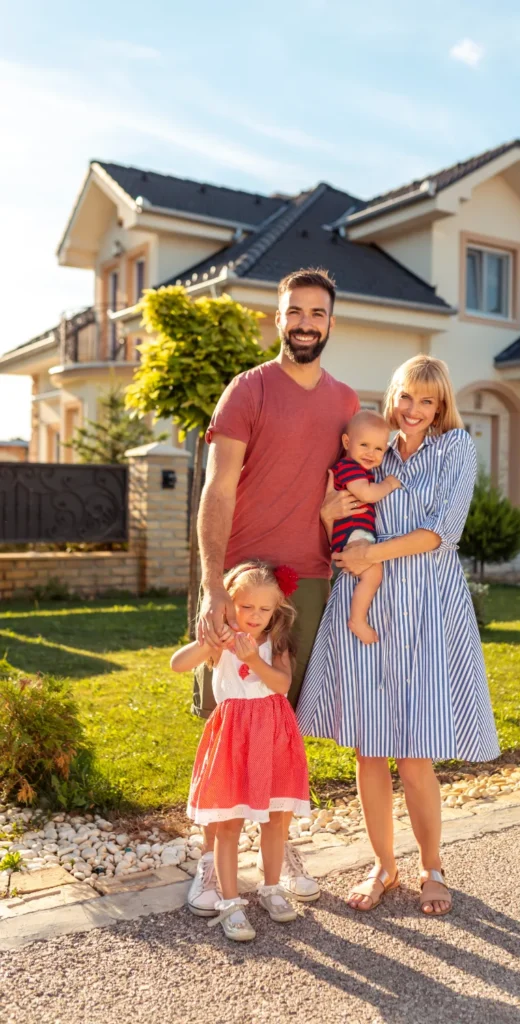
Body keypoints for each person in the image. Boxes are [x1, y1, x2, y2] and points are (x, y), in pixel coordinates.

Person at [297, 355, 500, 916]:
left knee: (414, 754)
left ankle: (431, 867)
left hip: (427, 608)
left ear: (441, 407)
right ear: (393, 395)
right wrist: (326, 514)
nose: (413, 410)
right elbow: (340, 516)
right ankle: (383, 865)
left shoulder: (456, 447)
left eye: (427, 401)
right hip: (364, 605)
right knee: (370, 749)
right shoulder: (371, 443)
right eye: (406, 396)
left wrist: (371, 552)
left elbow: (443, 531)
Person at [187, 266, 361, 916]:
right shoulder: (248, 390)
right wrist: (210, 586)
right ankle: (211, 862)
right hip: (237, 578)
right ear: (278, 317)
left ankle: (275, 845)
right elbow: (217, 488)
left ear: (330, 322)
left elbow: (352, 489)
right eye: (295, 312)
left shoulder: (345, 403)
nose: (305, 323)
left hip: (308, 582)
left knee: (281, 716)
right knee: (223, 719)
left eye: (317, 313)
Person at [172, 561, 309, 942]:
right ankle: (230, 903)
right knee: (229, 821)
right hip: (234, 734)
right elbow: (177, 665)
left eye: (264, 609)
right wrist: (208, 642)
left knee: (275, 818)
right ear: (229, 605)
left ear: (276, 609)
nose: (255, 617)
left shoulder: (276, 641)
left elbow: (281, 685)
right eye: (246, 607)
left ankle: (271, 888)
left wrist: (254, 660)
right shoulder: (221, 642)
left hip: (273, 733)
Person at [329, 410, 401, 644]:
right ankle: (357, 619)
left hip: (355, 533)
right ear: (347, 442)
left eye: (379, 449)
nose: (371, 453)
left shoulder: (360, 469)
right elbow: (367, 494)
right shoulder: (349, 467)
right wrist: (388, 485)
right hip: (351, 534)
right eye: (364, 445)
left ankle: (358, 617)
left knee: (373, 575)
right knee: (373, 574)